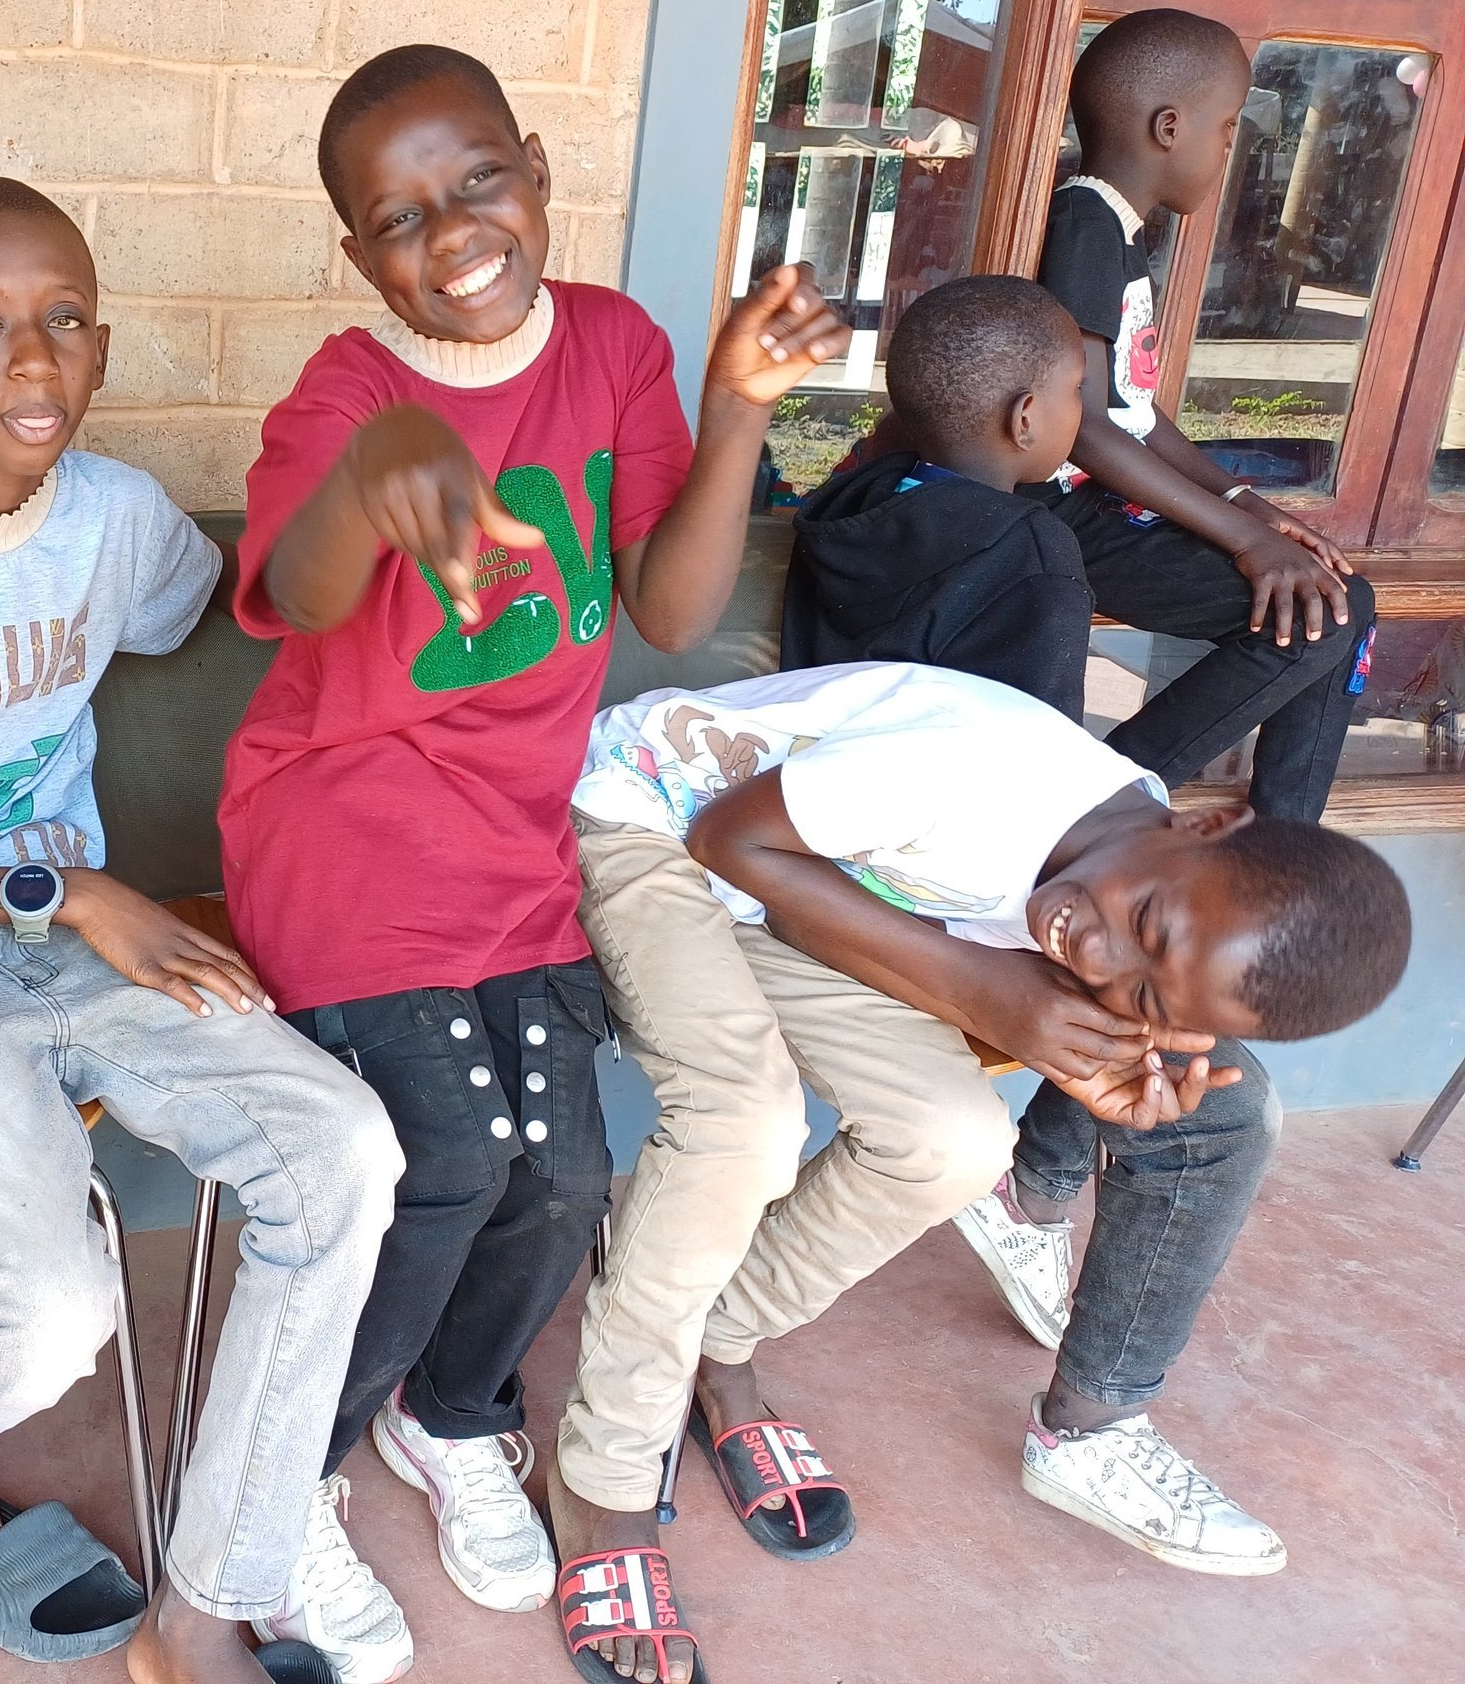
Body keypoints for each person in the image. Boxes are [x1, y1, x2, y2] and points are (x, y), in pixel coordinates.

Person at [217, 43, 847, 1684]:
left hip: (512, 835)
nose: (452, 231)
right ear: (360, 256)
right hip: (343, 832)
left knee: (561, 1173)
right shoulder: (347, 393)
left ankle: (449, 1413)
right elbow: (296, 584)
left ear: (539, 169)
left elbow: (670, 613)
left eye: (479, 180)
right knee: (447, 1162)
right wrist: (375, 481)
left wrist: (736, 411)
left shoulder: (619, 346)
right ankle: (287, 1475)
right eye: (399, 217)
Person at [0, 177, 401, 1684]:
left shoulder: (118, 516)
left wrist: (374, 523)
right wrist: (66, 892)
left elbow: (218, 605)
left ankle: (206, 1606)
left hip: (92, 948)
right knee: (47, 1318)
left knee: (344, 1155)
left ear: (102, 349)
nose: (31, 357)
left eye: (62, 321)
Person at [551, 662, 1409, 1683]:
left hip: (780, 896)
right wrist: (981, 988)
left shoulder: (1129, 885)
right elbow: (727, 838)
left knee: (956, 1141)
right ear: (1206, 824)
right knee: (745, 1122)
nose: (1097, 961)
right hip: (653, 821)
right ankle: (603, 1476)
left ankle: (714, 1341)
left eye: (1144, 997)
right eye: (1145, 927)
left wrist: (1081, 1052)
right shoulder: (975, 771)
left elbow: (840, 912)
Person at [953, 7, 1379, 1353]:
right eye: (1235, 124)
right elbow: (1083, 431)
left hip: (1112, 504)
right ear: (1168, 125)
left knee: (1330, 601)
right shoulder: (1086, 221)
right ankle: (1169, 811)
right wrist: (1245, 544)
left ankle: (1261, 852)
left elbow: (1148, 418)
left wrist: (1252, 506)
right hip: (1064, 521)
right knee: (1322, 615)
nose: (1238, 148)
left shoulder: (1132, 240)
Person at [780, 274, 1093, 718]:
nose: (1082, 407)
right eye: (1077, 388)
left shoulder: (850, 509)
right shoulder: (1032, 551)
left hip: (815, 756)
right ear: (1024, 418)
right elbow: (1044, 738)